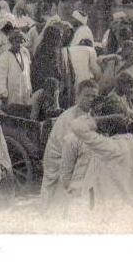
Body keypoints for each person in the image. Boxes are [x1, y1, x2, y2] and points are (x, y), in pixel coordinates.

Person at [65, 112, 133, 219]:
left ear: (106, 130)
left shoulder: (102, 150)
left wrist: (102, 119)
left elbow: (76, 125)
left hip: (108, 218)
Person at [39, 78, 99, 210]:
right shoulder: (70, 118)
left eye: (94, 96)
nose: (91, 99)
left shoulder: (88, 113)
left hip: (70, 154)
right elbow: (70, 148)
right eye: (87, 95)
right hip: (57, 160)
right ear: (77, 97)